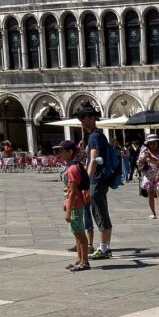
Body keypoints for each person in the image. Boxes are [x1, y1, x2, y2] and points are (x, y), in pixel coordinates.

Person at [77, 103, 113, 258]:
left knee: (99, 212)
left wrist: (85, 182)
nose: (82, 121)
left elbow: (93, 160)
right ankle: (105, 247)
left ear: (92, 118)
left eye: (84, 117)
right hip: (99, 179)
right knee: (99, 211)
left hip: (96, 180)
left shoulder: (94, 136)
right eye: (81, 118)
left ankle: (104, 248)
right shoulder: (96, 135)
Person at [56, 139, 90, 272]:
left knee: (80, 234)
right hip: (75, 203)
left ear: (70, 152)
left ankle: (85, 261)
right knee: (77, 234)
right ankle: (79, 259)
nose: (59, 154)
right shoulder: (73, 166)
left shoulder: (72, 169)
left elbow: (72, 192)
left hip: (75, 204)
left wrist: (68, 211)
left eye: (61, 151)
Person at [136, 133, 159, 219]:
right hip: (148, 175)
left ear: (157, 143)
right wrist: (145, 157)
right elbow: (139, 163)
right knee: (150, 194)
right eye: (151, 143)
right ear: (148, 144)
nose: (152, 145)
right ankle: (153, 213)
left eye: (154, 143)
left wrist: (152, 159)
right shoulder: (145, 151)